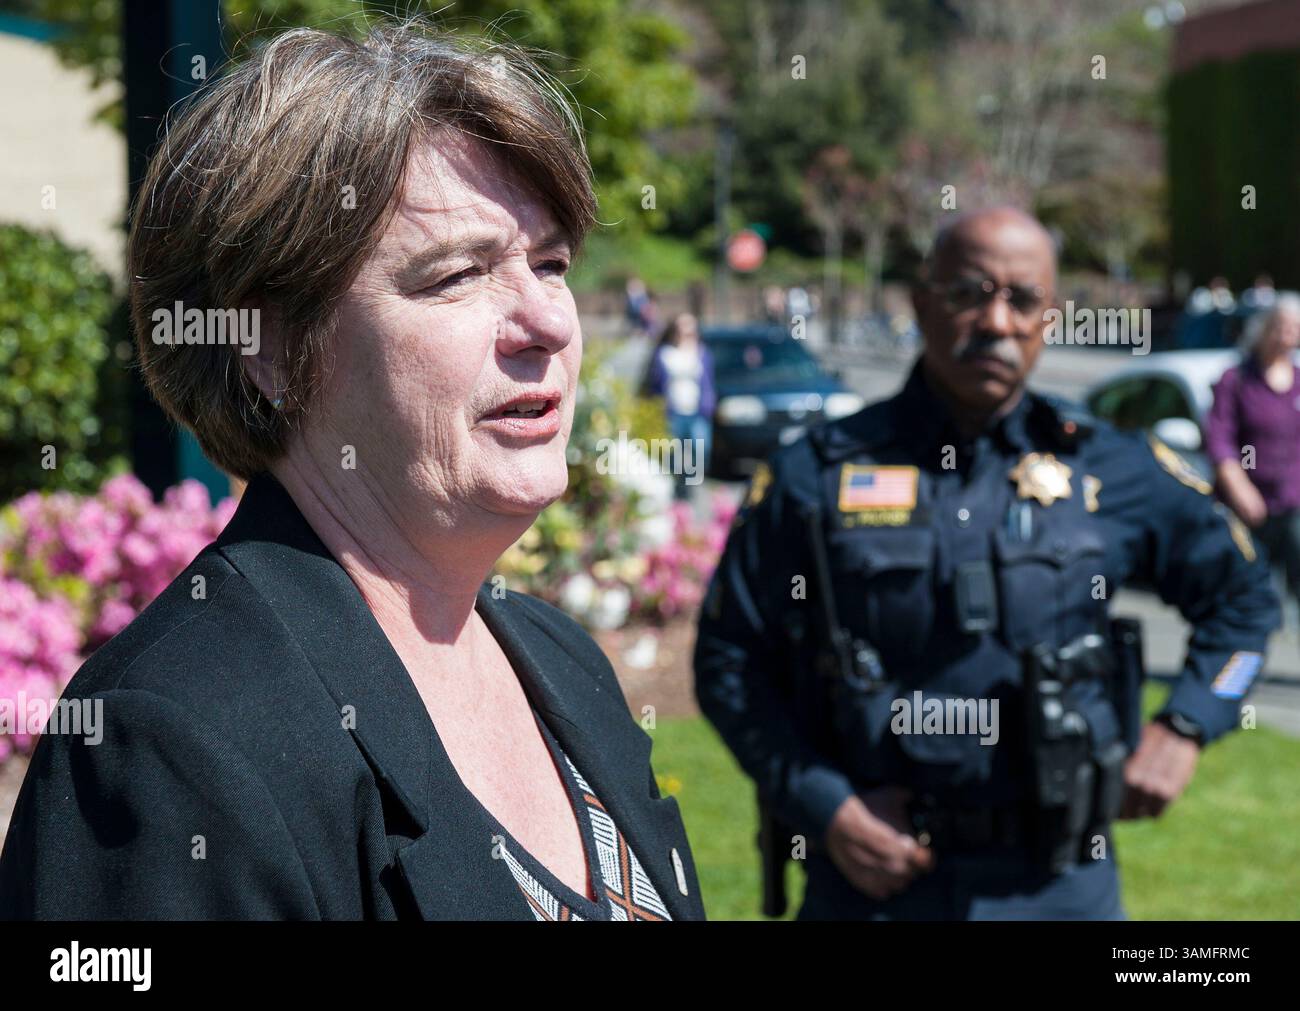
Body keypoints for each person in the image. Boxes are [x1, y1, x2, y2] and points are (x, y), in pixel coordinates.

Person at [0, 21, 703, 922]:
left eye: (551, 261)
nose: (549, 322)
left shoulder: (564, 665)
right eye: (456, 275)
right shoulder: (172, 740)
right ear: (272, 347)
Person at [694, 207, 1279, 920]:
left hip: (1061, 888)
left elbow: (1246, 602)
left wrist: (1188, 720)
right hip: (876, 886)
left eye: (1023, 299)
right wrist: (827, 805)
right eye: (969, 291)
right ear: (920, 301)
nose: (997, 321)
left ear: (1049, 318)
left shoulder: (1113, 466)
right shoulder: (815, 474)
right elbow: (728, 660)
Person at [1206, 294, 1300, 625]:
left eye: (1293, 328)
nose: (1285, 335)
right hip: (1249, 505)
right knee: (1244, 589)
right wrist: (1239, 487)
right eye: (1279, 327)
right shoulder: (1237, 380)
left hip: (1293, 504)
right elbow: (1220, 439)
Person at [645, 313, 716, 498]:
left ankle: (689, 482)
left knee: (701, 449)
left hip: (697, 411)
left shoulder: (702, 353)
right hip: (672, 412)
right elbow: (655, 383)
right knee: (672, 454)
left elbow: (708, 382)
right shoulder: (664, 353)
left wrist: (709, 404)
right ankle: (676, 485)